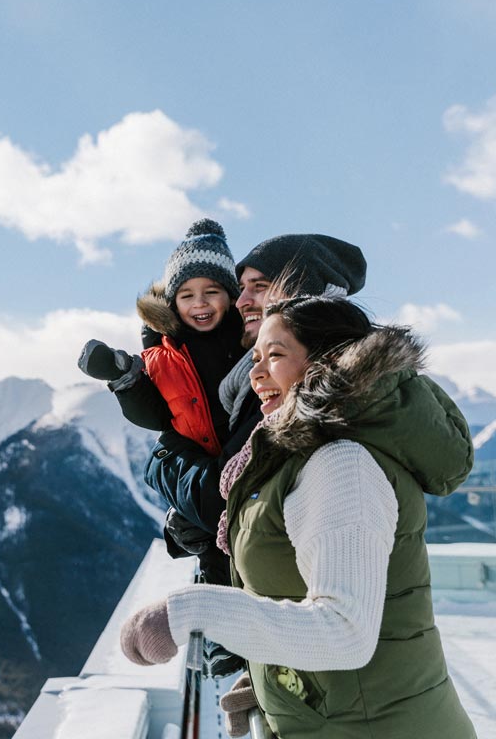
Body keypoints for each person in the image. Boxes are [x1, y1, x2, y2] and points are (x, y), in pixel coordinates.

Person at [119, 296, 476, 739]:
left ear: (326, 365)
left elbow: (344, 631)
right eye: (255, 358)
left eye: (276, 355)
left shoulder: (341, 464)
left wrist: (190, 613)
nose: (256, 373)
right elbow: (296, 587)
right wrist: (275, 681)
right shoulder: (296, 455)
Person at [144, 234, 367, 572]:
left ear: (300, 295)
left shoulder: (292, 385)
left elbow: (222, 497)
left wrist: (162, 455)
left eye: (258, 287)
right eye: (241, 287)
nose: (240, 300)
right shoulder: (256, 374)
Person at [78, 218, 245, 456]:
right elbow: (158, 417)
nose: (200, 303)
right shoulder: (163, 354)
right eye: (186, 296)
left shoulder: (248, 338)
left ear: (230, 296)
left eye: (211, 292)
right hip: (208, 464)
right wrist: (125, 379)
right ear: (173, 304)